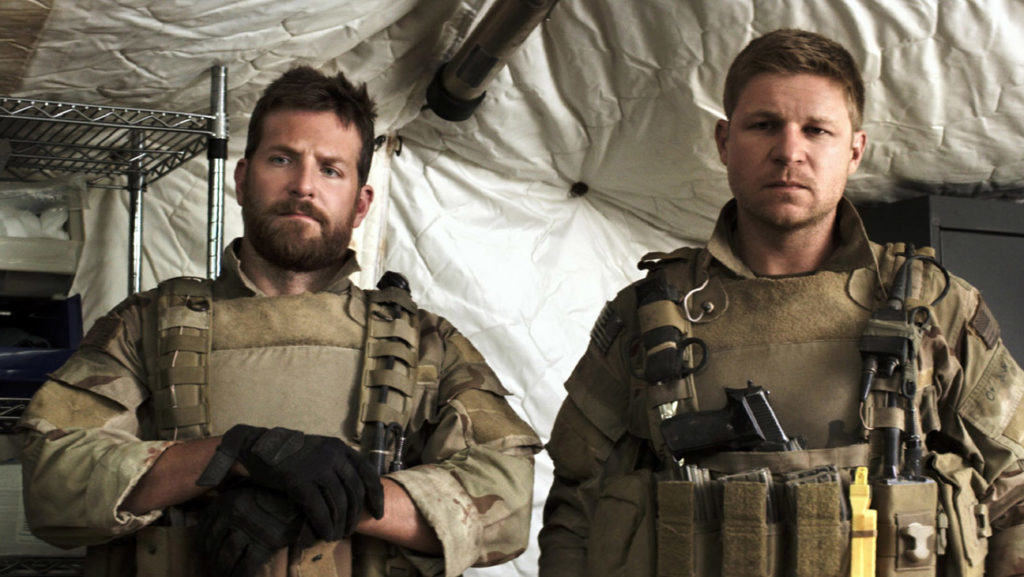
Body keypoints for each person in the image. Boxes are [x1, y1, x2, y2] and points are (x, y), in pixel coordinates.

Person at [18, 66, 541, 577]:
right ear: (243, 179)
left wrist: (329, 501)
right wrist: (231, 454)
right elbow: (52, 479)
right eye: (282, 159)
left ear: (361, 204)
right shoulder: (144, 326)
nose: (303, 186)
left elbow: (508, 499)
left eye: (330, 169)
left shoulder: (424, 343)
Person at [539, 29, 1024, 577]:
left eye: (816, 130)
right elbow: (575, 507)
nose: (789, 152)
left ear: (855, 150)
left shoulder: (934, 306)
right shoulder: (650, 315)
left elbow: (1017, 490)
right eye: (764, 125)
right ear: (725, 141)